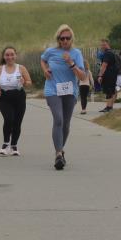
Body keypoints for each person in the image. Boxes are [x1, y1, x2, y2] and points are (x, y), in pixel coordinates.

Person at [40, 24, 89, 170]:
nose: (65, 41)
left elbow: (82, 76)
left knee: (66, 124)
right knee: (58, 119)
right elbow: (42, 60)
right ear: (58, 39)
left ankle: (60, 150)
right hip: (52, 89)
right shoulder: (51, 51)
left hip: (69, 91)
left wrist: (71, 63)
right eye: (62, 38)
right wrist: (45, 70)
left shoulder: (76, 53)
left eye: (68, 38)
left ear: (72, 39)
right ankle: (58, 155)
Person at [0, 47, 32, 156]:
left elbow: (29, 82)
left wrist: (24, 82)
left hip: (19, 96)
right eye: (7, 55)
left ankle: (14, 145)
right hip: (4, 97)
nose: (10, 57)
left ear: (16, 55)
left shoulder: (21, 68)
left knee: (17, 122)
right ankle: (5, 144)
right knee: (9, 119)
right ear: (3, 56)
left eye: (12, 54)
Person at [96, 38, 118, 113]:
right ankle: (110, 106)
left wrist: (100, 75)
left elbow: (104, 65)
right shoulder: (112, 52)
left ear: (108, 44)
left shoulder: (107, 53)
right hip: (113, 74)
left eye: (104, 45)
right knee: (112, 90)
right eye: (101, 45)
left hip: (108, 74)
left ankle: (108, 107)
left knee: (108, 91)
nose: (102, 46)